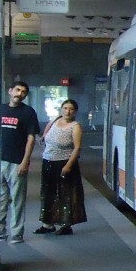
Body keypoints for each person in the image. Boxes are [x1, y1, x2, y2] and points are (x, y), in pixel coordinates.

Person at [0, 80, 41, 243]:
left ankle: (16, 233)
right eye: (17, 90)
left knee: (17, 200)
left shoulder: (28, 112)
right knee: (0, 199)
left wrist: (25, 161)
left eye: (23, 92)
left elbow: (31, 138)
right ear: (10, 91)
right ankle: (0, 231)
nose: (19, 93)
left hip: (17, 162)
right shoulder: (0, 109)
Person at [36, 98, 87, 234]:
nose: (67, 111)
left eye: (71, 109)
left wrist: (68, 166)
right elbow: (46, 131)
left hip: (64, 163)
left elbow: (77, 148)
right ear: (61, 109)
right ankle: (47, 224)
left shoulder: (75, 126)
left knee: (65, 194)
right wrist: (44, 136)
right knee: (48, 192)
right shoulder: (55, 120)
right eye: (65, 108)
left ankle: (66, 225)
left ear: (75, 111)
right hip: (48, 161)